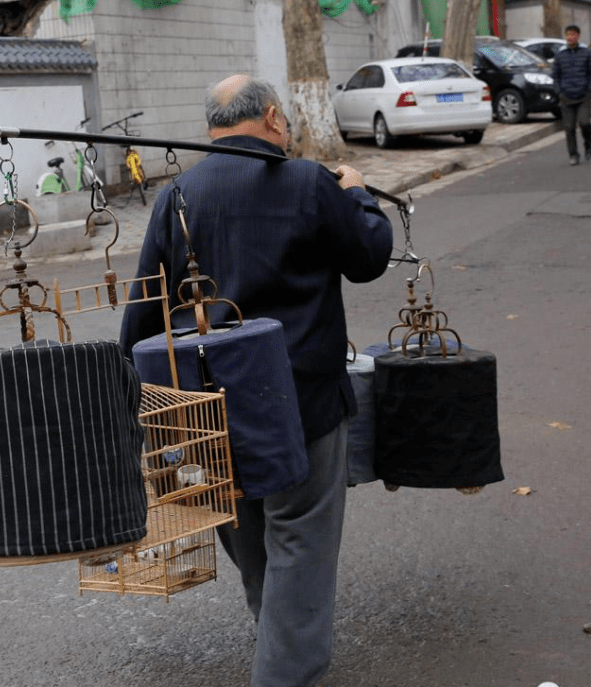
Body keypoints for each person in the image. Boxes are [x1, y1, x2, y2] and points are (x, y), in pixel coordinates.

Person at [119, 74, 393, 687]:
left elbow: (143, 311)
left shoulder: (179, 196)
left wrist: (134, 398)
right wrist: (355, 194)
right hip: (303, 401)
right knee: (300, 537)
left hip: (210, 406)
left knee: (248, 534)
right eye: (288, 120)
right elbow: (369, 257)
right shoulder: (308, 183)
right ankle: (284, 674)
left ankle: (278, 647)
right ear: (271, 117)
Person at [551, 24, 591, 165]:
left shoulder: (586, 52)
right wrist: (558, 91)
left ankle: (588, 144)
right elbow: (555, 75)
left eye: (573, 34)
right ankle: (573, 154)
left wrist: (590, 88)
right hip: (566, 96)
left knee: (585, 123)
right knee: (569, 127)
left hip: (583, 95)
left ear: (578, 36)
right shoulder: (560, 54)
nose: (570, 37)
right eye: (568, 35)